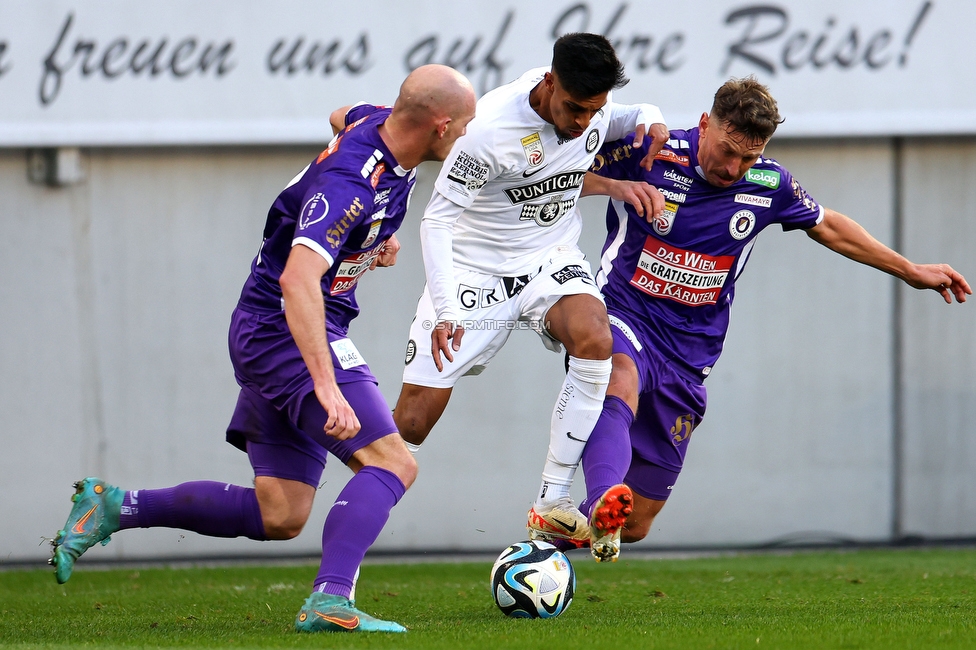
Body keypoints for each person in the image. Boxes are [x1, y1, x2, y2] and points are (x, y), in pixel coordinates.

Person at [48, 64, 477, 634]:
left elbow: (339, 116)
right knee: (392, 462)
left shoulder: (377, 126)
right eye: (466, 126)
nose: (468, 138)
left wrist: (373, 235)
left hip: (270, 331)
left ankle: (116, 505)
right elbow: (298, 282)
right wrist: (326, 386)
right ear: (441, 126)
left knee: (281, 513)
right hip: (290, 333)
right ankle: (330, 600)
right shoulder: (349, 185)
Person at [572, 76, 972, 562]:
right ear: (704, 124)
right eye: (727, 151)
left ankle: (552, 534)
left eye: (749, 156)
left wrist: (910, 269)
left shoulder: (769, 183)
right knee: (620, 373)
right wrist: (614, 184)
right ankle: (598, 502)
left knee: (635, 526)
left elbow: (828, 225)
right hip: (624, 315)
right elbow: (562, 173)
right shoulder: (652, 150)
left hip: (689, 355)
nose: (734, 167)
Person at [391, 33, 668, 551]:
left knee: (595, 337)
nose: (585, 122)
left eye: (594, 111)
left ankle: (552, 501)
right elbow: (437, 221)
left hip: (549, 261)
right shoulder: (488, 130)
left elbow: (628, 118)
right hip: (477, 271)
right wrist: (448, 306)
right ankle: (337, 470)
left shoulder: (593, 111)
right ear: (549, 82)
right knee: (412, 422)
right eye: (575, 108)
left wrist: (651, 116)